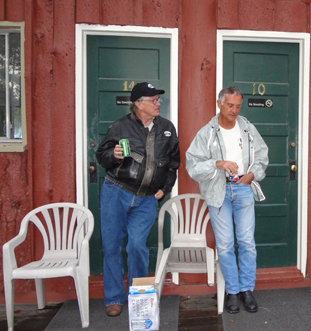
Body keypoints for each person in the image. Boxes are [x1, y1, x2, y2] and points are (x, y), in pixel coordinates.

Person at [96, 82, 180, 317]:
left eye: (158, 99)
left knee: (137, 247)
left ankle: (139, 298)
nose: (158, 103)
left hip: (146, 199)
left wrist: (166, 187)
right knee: (112, 247)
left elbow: (173, 164)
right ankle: (113, 298)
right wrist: (112, 155)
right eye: (153, 100)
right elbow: (101, 157)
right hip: (117, 192)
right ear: (138, 104)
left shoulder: (167, 128)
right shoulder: (120, 127)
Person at [185, 86, 269, 314]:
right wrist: (217, 163)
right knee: (224, 245)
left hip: (243, 189)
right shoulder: (207, 133)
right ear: (219, 103)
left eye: (238, 106)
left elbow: (262, 156)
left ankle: (247, 290)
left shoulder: (248, 129)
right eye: (229, 105)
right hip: (218, 192)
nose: (234, 110)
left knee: (247, 242)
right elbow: (192, 166)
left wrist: (251, 175)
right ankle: (232, 291)